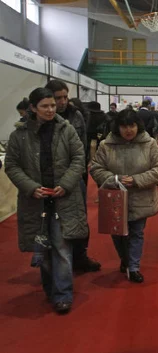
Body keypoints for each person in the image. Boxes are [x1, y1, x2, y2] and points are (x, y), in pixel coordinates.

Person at [4, 87, 88, 314]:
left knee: (61, 247)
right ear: (33, 108)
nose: (51, 109)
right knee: (42, 247)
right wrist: (31, 187)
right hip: (35, 201)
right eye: (45, 106)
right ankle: (50, 288)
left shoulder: (66, 129)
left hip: (63, 198)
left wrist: (67, 183)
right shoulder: (19, 135)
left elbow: (79, 158)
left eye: (53, 105)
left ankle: (63, 295)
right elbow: (11, 165)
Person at [90, 109, 158, 283]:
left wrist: (137, 180)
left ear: (137, 125)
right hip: (114, 198)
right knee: (117, 233)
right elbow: (96, 169)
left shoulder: (149, 144)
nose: (128, 130)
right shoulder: (106, 145)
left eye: (131, 125)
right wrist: (114, 179)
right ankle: (125, 259)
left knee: (137, 232)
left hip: (141, 197)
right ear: (118, 127)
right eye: (124, 126)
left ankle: (134, 267)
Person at [45, 80, 100, 272]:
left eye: (64, 97)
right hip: (48, 178)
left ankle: (80, 256)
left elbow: (82, 149)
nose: (62, 101)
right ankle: (52, 262)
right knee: (48, 221)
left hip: (75, 176)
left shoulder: (76, 115)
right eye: (57, 97)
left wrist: (80, 175)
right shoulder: (40, 118)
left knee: (79, 219)